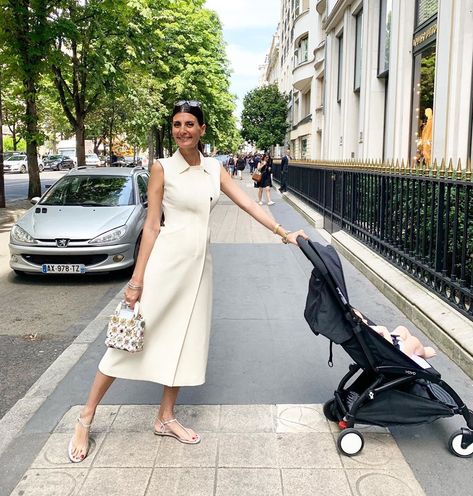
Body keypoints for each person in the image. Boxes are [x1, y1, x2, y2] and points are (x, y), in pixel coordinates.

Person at [67, 99, 308, 463]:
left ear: (202, 129)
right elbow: (151, 226)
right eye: (177, 123)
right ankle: (85, 418)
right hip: (165, 266)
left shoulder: (214, 169)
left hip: (199, 270)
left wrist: (281, 231)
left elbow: (246, 202)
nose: (182, 130)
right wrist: (136, 281)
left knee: (184, 341)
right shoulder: (161, 167)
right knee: (126, 341)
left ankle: (165, 417)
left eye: (190, 124)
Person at [353, 310, 436, 359]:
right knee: (414, 341)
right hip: (393, 353)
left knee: (402, 328)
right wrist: (383, 330)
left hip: (384, 346)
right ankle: (423, 353)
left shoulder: (358, 333)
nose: (366, 321)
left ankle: (412, 350)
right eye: (364, 320)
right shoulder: (368, 331)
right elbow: (388, 344)